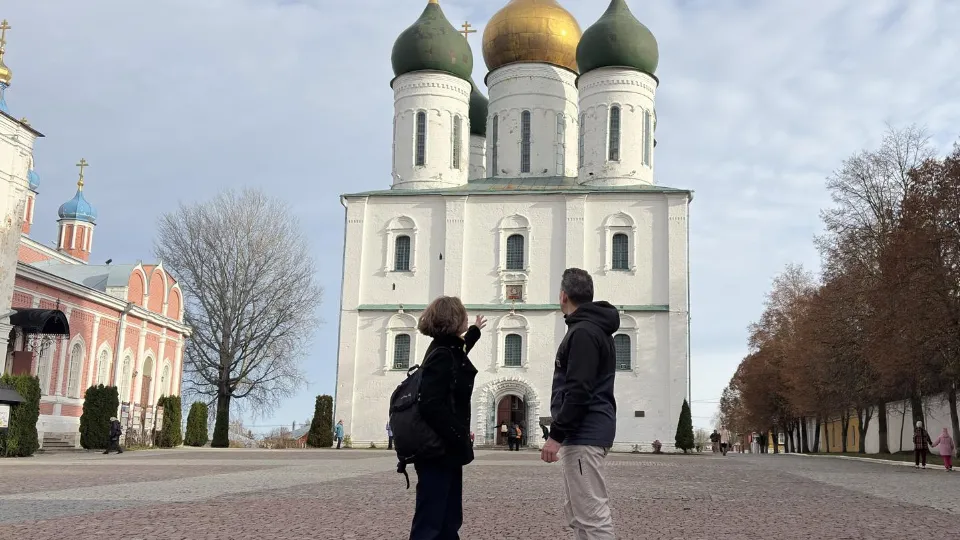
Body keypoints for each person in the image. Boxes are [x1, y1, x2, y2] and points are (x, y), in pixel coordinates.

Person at [541, 268, 619, 540]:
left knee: (593, 515)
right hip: (588, 431)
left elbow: (579, 388)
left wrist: (556, 434)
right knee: (581, 513)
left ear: (563, 296)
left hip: (585, 432)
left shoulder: (584, 332)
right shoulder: (592, 329)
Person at [408, 296, 486, 540]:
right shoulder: (443, 353)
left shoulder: (449, 347)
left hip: (446, 451)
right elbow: (430, 404)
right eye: (462, 315)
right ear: (454, 319)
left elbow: (462, 348)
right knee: (431, 521)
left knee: (449, 518)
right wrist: (458, 434)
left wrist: (474, 330)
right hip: (438, 450)